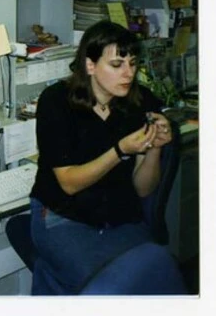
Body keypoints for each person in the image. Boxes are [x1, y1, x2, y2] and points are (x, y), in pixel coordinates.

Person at [29, 20, 183, 294]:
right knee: (117, 290)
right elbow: (69, 183)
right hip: (64, 219)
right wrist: (120, 150)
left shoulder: (140, 102)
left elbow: (143, 188)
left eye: (133, 63)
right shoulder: (56, 102)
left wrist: (155, 147)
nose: (129, 73)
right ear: (90, 65)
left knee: (160, 274)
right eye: (117, 65)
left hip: (118, 218)